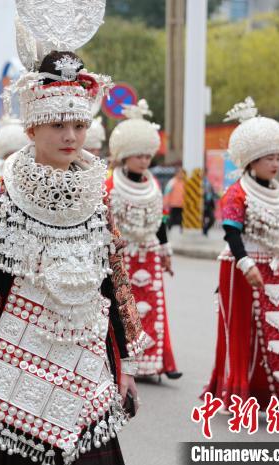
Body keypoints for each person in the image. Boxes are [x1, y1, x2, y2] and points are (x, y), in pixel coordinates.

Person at [0, 32, 143, 464]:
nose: (70, 135)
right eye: (58, 124)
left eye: (78, 125)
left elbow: (111, 281)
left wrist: (126, 365)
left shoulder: (97, 194)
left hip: (87, 354)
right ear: (31, 128)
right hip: (17, 356)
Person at [204, 97, 279, 424]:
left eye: (277, 157)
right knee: (244, 334)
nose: (275, 164)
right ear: (251, 161)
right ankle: (245, 393)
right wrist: (245, 263)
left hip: (276, 268)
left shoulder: (278, 193)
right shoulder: (236, 193)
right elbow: (231, 230)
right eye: (268, 158)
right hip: (242, 269)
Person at [106, 99, 181, 381]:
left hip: (148, 253)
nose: (144, 161)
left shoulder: (154, 184)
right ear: (125, 155)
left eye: (148, 156)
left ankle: (155, 361)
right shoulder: (111, 184)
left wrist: (165, 250)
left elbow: (160, 220)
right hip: (123, 254)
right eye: (139, 155)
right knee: (124, 307)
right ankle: (126, 359)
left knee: (155, 308)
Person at [164, 168, 185, 232]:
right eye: (179, 173)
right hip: (173, 204)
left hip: (182, 204)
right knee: (171, 218)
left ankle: (182, 231)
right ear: (176, 173)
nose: (181, 175)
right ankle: (168, 230)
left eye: (182, 173)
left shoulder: (185, 182)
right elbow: (167, 193)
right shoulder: (172, 182)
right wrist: (166, 202)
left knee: (182, 219)